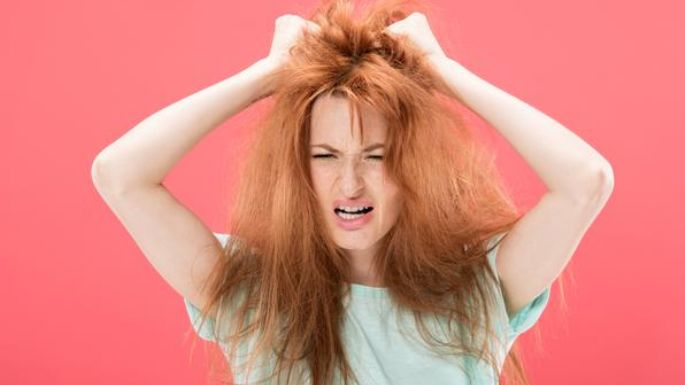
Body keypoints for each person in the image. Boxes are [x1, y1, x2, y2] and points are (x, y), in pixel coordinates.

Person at [91, 0, 614, 384]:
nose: (349, 183)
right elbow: (119, 173)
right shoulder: (252, 294)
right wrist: (269, 75)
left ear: (412, 165)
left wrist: (438, 71)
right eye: (326, 156)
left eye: (376, 156)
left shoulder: (479, 289)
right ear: (299, 168)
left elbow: (585, 180)